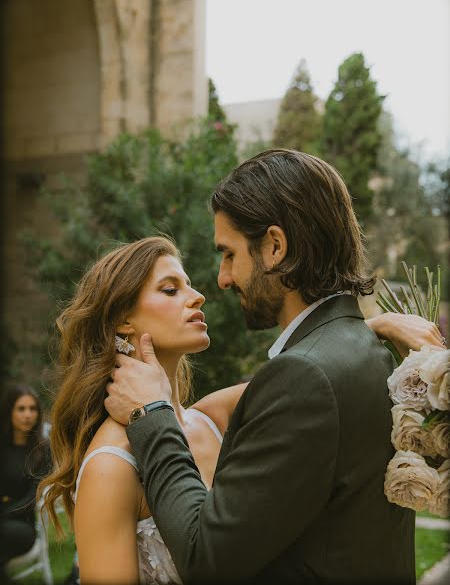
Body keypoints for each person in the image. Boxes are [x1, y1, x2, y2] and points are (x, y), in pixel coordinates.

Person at [105, 149, 446, 585]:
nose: (222, 279)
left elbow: (205, 559)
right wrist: (374, 325)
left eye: (229, 254)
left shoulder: (303, 377)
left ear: (274, 247)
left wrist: (150, 415)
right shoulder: (366, 350)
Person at [37, 234, 440, 585]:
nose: (198, 295)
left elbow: (307, 378)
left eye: (189, 284)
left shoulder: (209, 417)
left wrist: (382, 323)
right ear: (123, 320)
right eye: (170, 289)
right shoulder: (111, 465)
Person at [0, 384, 52, 582]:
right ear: (9, 411)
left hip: (22, 524)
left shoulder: (43, 450)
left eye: (33, 409)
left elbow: (33, 497)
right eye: (21, 409)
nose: (28, 414)